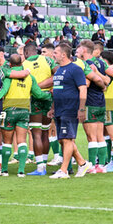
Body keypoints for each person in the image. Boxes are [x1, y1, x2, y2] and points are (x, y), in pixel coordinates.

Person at [48, 43, 92, 179]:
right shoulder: (59, 70)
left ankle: (64, 170)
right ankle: (82, 163)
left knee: (67, 139)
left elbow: (83, 88)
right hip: (59, 109)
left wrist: (82, 108)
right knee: (62, 140)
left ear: (63, 54)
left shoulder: (75, 69)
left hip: (70, 109)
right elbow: (57, 91)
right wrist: (53, 108)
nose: (53, 55)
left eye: (55, 52)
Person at [22, 43, 58, 176]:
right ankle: (43, 162)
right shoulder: (47, 60)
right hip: (49, 97)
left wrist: (36, 86)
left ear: (26, 53)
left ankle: (40, 167)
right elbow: (58, 74)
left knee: (35, 133)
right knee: (45, 132)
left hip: (34, 99)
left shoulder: (24, 65)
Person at [75, 40, 109, 173]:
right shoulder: (100, 62)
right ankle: (101, 165)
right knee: (100, 135)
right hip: (101, 102)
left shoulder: (85, 65)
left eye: (78, 50)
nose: (76, 52)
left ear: (84, 51)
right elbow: (107, 79)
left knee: (91, 137)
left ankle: (93, 166)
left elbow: (87, 84)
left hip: (89, 102)